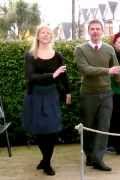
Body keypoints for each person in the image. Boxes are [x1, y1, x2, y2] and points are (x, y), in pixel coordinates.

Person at [74, 20, 120, 171]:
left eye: (98, 29)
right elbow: (85, 70)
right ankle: (89, 155)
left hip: (106, 94)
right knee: (88, 127)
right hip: (88, 94)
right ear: (88, 31)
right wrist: (107, 71)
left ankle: (98, 159)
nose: (95, 31)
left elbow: (117, 71)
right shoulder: (80, 49)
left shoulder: (109, 49)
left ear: (102, 31)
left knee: (103, 126)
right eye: (92, 29)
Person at [22, 24, 71, 176]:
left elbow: (63, 76)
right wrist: (52, 75)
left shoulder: (58, 56)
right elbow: (31, 77)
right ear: (37, 36)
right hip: (35, 95)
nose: (45, 35)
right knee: (38, 131)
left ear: (51, 36)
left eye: (48, 33)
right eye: (43, 32)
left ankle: (47, 162)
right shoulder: (31, 55)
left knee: (52, 130)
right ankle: (45, 159)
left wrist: (68, 92)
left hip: (52, 95)